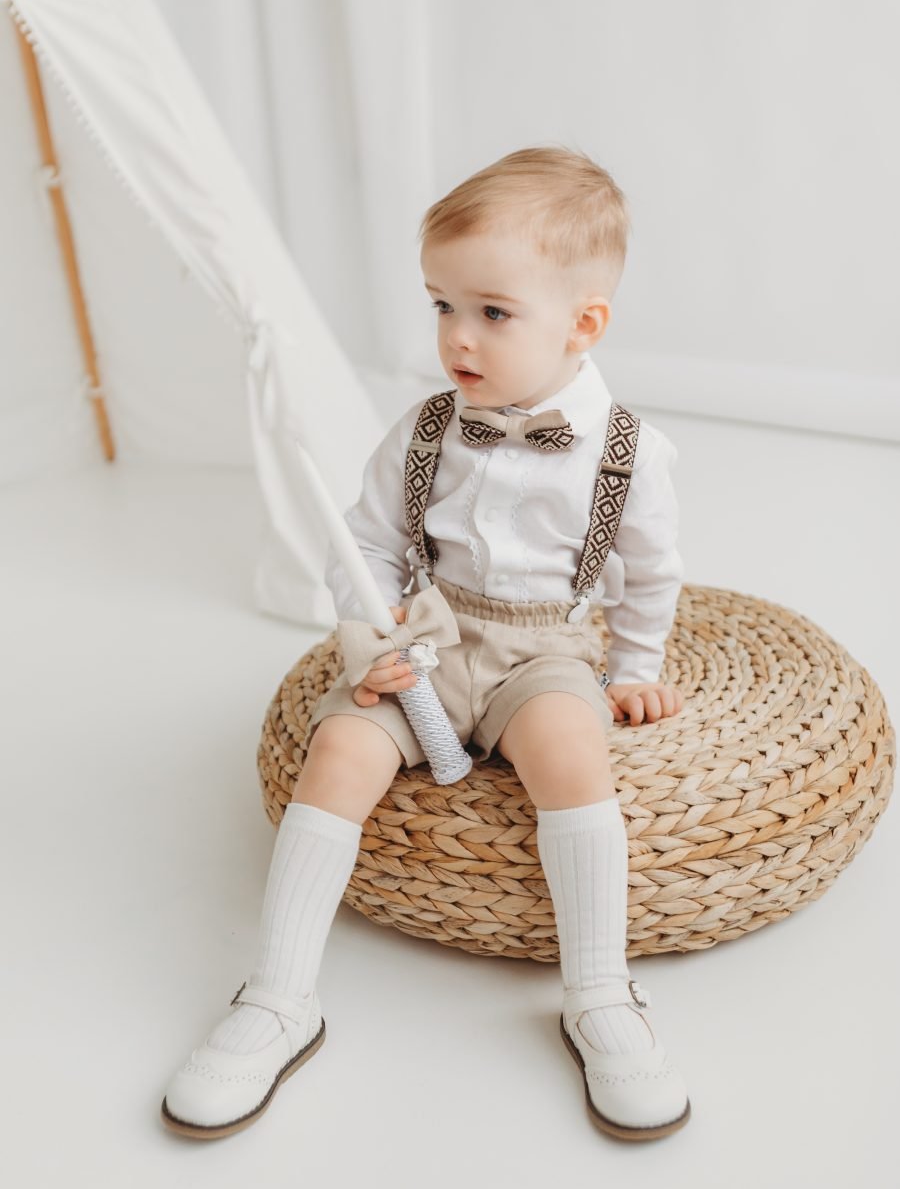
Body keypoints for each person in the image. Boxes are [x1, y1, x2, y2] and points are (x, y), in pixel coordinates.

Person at [161, 145, 691, 1142]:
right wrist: (369, 643)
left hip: (547, 649)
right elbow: (363, 543)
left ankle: (601, 996)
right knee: (339, 748)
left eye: (493, 311)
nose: (457, 335)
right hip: (432, 636)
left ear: (584, 325)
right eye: (440, 305)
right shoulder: (424, 431)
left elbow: (654, 575)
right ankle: (279, 1000)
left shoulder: (630, 453)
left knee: (573, 757)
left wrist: (637, 670)